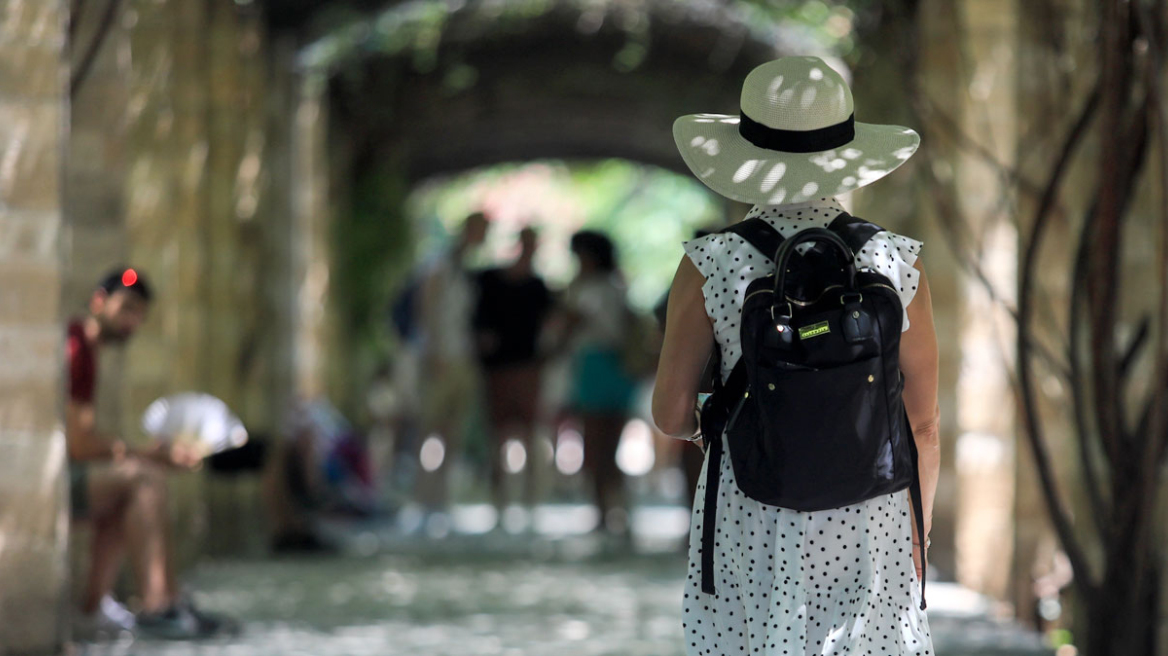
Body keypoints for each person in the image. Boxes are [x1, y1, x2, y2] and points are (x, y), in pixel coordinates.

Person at [653, 56, 940, 654]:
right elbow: (924, 423)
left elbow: (670, 413)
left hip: (751, 501)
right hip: (873, 514)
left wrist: (736, 419)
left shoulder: (711, 261)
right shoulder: (896, 261)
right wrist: (919, 530)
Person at [66, 268, 227, 639]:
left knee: (134, 483)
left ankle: (99, 607)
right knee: (143, 479)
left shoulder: (86, 351)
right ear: (98, 301)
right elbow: (79, 444)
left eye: (139, 313)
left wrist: (138, 454)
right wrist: (146, 455)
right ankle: (159, 604)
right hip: (52, 480)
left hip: (73, 476)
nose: (132, 321)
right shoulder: (76, 348)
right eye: (126, 308)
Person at [558, 230, 639, 537]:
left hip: (594, 366)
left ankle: (603, 511)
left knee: (593, 444)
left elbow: (570, 323)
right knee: (611, 445)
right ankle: (617, 508)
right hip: (618, 368)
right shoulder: (618, 286)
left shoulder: (585, 289)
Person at [412, 212, 490, 527]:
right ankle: (422, 499)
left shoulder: (466, 271)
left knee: (452, 432)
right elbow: (426, 310)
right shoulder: (440, 265)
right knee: (429, 428)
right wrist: (433, 353)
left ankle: (441, 499)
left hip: (463, 359)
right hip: (441, 358)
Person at [473, 227, 553, 518]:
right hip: (499, 368)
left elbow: (551, 325)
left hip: (527, 366)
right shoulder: (491, 279)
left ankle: (531, 500)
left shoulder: (538, 287)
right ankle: (500, 501)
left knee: (530, 433)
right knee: (499, 433)